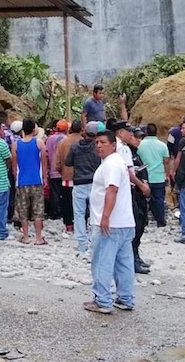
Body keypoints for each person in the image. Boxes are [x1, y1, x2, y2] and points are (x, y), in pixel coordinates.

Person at [83, 130, 136, 314]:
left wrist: (105, 217)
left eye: (103, 142)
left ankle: (102, 300)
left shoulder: (111, 164)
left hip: (110, 223)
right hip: (124, 222)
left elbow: (111, 190)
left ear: (113, 145)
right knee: (123, 263)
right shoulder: (117, 163)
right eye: (96, 142)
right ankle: (125, 298)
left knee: (101, 262)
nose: (98, 145)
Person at [114, 122, 152, 273]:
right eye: (134, 135)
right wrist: (142, 185)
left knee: (141, 222)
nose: (136, 139)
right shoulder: (123, 149)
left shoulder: (133, 151)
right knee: (135, 224)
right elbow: (128, 173)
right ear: (122, 132)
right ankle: (131, 259)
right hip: (131, 191)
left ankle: (135, 255)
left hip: (136, 191)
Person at [66, 122, 102, 255]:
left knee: (79, 214)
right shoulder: (97, 148)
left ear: (85, 132)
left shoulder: (75, 146)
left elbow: (68, 162)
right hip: (94, 183)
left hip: (79, 183)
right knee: (95, 214)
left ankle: (82, 244)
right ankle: (95, 243)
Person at [12, 119, 47, 244]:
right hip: (36, 181)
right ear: (33, 130)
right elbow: (44, 163)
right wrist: (45, 178)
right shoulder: (39, 143)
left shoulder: (15, 145)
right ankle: (38, 238)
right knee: (38, 211)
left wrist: (16, 179)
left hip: (22, 182)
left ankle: (26, 237)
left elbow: (14, 166)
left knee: (23, 210)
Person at [136, 123, 169, 226]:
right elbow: (166, 162)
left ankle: (144, 221)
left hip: (144, 178)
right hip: (158, 176)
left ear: (145, 132)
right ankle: (160, 221)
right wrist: (166, 175)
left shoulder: (139, 145)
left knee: (144, 199)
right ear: (156, 132)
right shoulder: (162, 145)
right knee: (159, 199)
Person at [55, 120, 81, 232]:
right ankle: (81, 224)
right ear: (81, 129)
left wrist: (62, 171)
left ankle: (69, 225)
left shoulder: (63, 142)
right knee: (81, 204)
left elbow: (57, 163)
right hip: (82, 179)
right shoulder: (84, 141)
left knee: (67, 202)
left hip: (66, 178)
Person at [46, 119, 69, 221]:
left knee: (54, 193)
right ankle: (64, 212)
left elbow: (46, 154)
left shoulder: (50, 139)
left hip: (53, 170)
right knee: (65, 193)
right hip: (64, 171)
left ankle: (55, 213)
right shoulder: (66, 139)